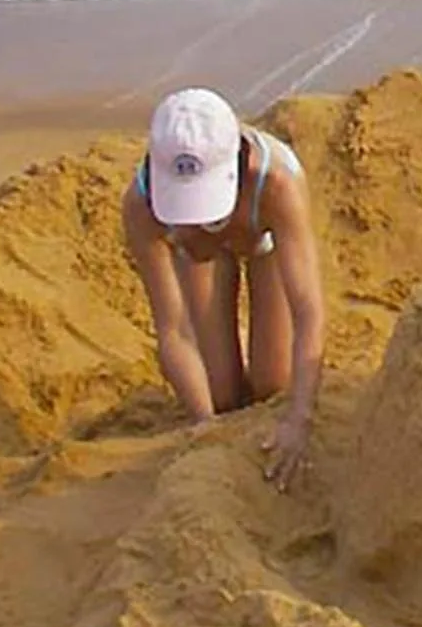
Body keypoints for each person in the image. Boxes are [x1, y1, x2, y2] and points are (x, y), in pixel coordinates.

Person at [121, 88, 327, 488]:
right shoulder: (140, 205)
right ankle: (221, 380)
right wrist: (206, 426)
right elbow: (173, 328)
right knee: (221, 397)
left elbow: (309, 311)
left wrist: (299, 419)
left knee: (273, 385)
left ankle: (258, 355)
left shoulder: (276, 183)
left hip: (261, 238)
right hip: (199, 255)